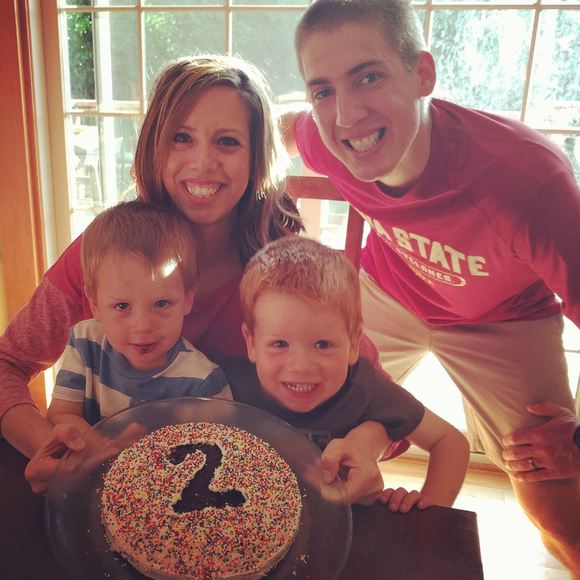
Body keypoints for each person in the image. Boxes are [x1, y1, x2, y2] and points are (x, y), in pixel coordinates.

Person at [0, 54, 387, 501]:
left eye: (228, 142)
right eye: (181, 138)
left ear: (257, 158)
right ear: (154, 146)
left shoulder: (290, 272)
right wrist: (49, 449)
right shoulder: (103, 251)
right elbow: (8, 363)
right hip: (100, 500)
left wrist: (365, 444)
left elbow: (378, 402)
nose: (202, 162)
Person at [282, 0, 580, 572]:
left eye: (368, 77)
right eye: (323, 90)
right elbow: (281, 131)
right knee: (302, 406)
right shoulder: (327, 136)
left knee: (557, 503)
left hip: (505, 316)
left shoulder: (528, 181)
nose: (346, 116)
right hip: (390, 291)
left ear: (423, 73)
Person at [220, 235, 470, 511]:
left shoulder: (365, 388)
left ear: (353, 344)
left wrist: (431, 512)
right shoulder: (224, 385)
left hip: (347, 523)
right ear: (251, 343)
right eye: (280, 344)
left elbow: (450, 441)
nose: (301, 366)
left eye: (323, 345)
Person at [47, 200, 231, 434]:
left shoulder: (203, 382)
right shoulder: (85, 343)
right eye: (122, 306)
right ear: (94, 303)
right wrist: (101, 447)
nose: (143, 327)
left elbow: (218, 445)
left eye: (161, 303)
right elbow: (61, 414)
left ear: (187, 298)